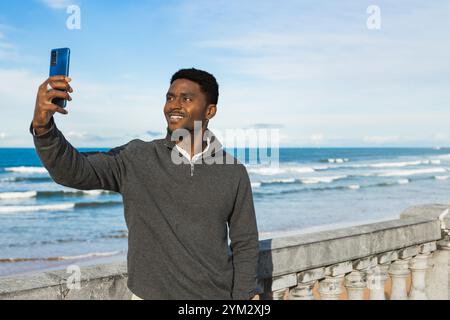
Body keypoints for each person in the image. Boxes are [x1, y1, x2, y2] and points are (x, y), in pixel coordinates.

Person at [29, 68, 260, 300]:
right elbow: (73, 171)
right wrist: (43, 127)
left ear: (210, 111)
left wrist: (244, 297)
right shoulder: (137, 156)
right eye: (170, 97)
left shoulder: (233, 171)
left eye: (186, 98)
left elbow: (245, 243)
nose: (173, 105)